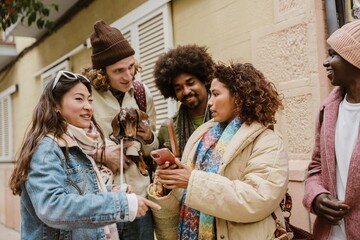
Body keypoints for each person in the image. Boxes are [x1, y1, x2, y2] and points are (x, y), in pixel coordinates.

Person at [8, 70, 160, 240]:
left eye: (89, 100)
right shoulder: (48, 148)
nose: (88, 107)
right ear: (55, 105)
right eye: (79, 99)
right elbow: (52, 207)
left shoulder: (74, 143)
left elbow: (76, 191)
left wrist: (111, 191)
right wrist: (121, 204)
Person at [148, 62, 289, 239]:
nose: (210, 102)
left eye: (215, 94)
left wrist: (192, 181)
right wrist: (170, 184)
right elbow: (187, 194)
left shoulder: (268, 141)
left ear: (238, 96)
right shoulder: (202, 136)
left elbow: (258, 199)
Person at [82, 20, 159, 240]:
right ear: (101, 72)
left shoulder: (143, 95)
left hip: (139, 201)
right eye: (118, 71)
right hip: (101, 201)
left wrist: (150, 138)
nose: (128, 76)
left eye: (131, 67)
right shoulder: (84, 97)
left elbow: (151, 151)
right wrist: (100, 154)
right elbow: (64, 144)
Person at [303, 20, 360, 239]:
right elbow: (315, 167)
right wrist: (316, 197)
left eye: (333, 54)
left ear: (354, 59)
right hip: (331, 234)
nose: (326, 62)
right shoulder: (327, 110)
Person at [153, 44, 215, 156]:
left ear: (204, 80)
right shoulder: (167, 129)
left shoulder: (226, 117)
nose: (186, 91)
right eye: (178, 88)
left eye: (190, 83)